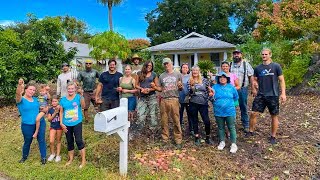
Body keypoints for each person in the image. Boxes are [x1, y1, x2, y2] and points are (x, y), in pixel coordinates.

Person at [247, 48, 286, 145]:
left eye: (266, 54)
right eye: (263, 54)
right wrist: (255, 86)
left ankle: (273, 136)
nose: (264, 56)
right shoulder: (258, 68)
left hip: (273, 94)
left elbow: (281, 80)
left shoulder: (276, 66)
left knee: (274, 116)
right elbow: (255, 79)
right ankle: (251, 131)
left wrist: (283, 93)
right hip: (261, 94)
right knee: (253, 113)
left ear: (270, 55)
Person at [16, 79, 47, 165]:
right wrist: (19, 85)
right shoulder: (21, 100)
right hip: (27, 125)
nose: (32, 91)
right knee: (27, 141)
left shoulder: (36, 99)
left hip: (40, 123)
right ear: (25, 89)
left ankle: (44, 158)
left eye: (33, 90)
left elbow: (44, 107)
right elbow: (18, 94)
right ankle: (24, 157)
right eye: (30, 89)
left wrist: (44, 111)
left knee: (41, 140)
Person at [59, 82, 86, 168]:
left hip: (77, 122)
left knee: (78, 140)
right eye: (69, 89)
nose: (70, 90)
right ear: (67, 89)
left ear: (75, 89)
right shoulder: (63, 99)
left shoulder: (78, 97)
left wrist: (82, 95)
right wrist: (61, 123)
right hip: (66, 123)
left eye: (72, 88)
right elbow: (61, 111)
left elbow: (84, 106)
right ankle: (70, 159)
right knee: (69, 141)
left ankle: (83, 160)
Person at [158, 58, 183, 149]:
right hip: (164, 100)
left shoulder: (178, 74)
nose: (166, 65)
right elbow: (160, 88)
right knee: (164, 120)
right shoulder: (161, 76)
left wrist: (180, 87)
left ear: (171, 63)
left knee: (176, 120)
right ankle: (165, 139)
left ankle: (178, 139)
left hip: (174, 99)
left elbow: (181, 88)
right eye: (164, 64)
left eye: (167, 63)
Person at [212, 72, 239, 153]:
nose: (222, 78)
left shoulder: (231, 87)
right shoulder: (215, 87)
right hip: (218, 111)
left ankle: (233, 144)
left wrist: (230, 106)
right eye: (220, 77)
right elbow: (211, 97)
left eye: (224, 77)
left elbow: (236, 97)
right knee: (220, 127)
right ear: (218, 79)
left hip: (230, 111)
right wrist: (211, 96)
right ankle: (222, 142)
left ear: (227, 79)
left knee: (231, 127)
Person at [230, 50, 254, 132]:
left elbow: (251, 76)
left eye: (238, 54)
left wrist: (253, 88)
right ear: (233, 55)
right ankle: (232, 125)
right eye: (235, 54)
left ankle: (246, 125)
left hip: (243, 89)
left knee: (243, 106)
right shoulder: (230, 65)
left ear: (241, 55)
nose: (236, 55)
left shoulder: (246, 64)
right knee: (231, 107)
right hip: (232, 90)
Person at [187, 65, 212, 145]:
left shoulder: (204, 80)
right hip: (193, 103)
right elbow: (189, 93)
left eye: (196, 70)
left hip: (203, 103)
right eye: (193, 70)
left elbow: (209, 90)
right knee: (194, 120)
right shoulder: (189, 80)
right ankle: (196, 137)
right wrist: (191, 87)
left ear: (199, 72)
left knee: (207, 121)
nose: (195, 72)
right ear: (192, 72)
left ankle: (208, 137)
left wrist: (207, 98)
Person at [135, 61, 160, 137]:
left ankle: (153, 133)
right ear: (145, 66)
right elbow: (136, 85)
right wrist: (141, 89)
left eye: (151, 66)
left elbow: (157, 86)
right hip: (142, 97)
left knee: (153, 115)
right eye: (148, 65)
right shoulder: (139, 73)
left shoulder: (154, 74)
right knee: (141, 115)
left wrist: (150, 89)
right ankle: (140, 133)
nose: (149, 67)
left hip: (151, 96)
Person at [47, 95, 63, 162]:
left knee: (58, 140)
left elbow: (62, 116)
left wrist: (58, 110)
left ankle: (58, 155)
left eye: (55, 101)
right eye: (53, 101)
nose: (54, 103)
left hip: (59, 127)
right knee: (51, 141)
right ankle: (52, 153)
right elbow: (49, 119)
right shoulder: (50, 109)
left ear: (58, 102)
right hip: (53, 126)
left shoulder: (61, 108)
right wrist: (55, 112)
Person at [179, 63, 193, 135]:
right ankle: (179, 129)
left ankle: (191, 129)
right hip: (179, 98)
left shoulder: (190, 77)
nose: (185, 69)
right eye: (183, 67)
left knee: (190, 114)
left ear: (188, 69)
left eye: (186, 68)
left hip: (188, 99)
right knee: (179, 114)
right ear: (181, 68)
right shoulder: (178, 76)